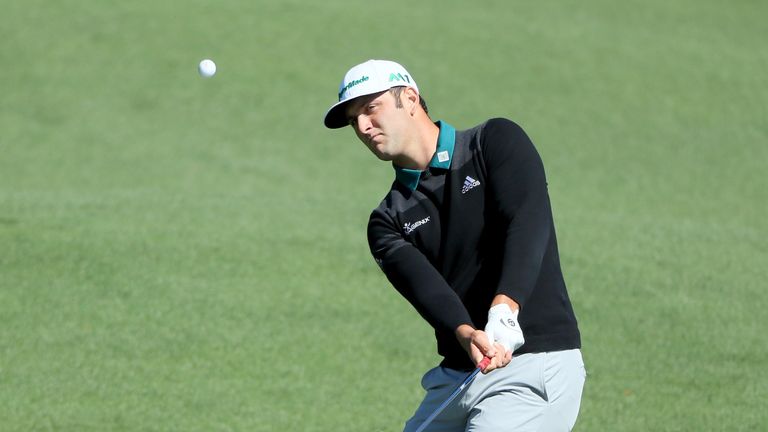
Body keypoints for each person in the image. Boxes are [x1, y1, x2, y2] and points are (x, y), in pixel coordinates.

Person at [323, 59, 585, 431]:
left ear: (409, 99)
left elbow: (528, 223)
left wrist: (505, 308)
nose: (363, 126)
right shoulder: (387, 221)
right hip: (457, 377)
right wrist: (467, 334)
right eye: (354, 120)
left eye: (371, 108)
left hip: (532, 363)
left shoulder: (493, 144)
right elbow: (430, 295)